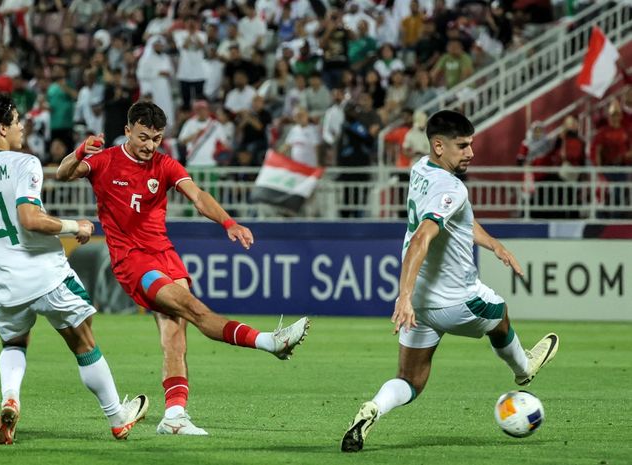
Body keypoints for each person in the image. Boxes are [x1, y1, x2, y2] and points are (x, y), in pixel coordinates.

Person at [56, 101, 310, 436]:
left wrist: (228, 222)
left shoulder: (164, 164)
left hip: (165, 255)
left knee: (175, 337)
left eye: (157, 138)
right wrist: (78, 152)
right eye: (144, 137)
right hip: (133, 261)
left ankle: (174, 416)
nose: (150, 145)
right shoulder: (105, 161)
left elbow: (198, 195)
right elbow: (63, 173)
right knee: (193, 308)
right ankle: (269, 342)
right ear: (129, 130)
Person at [340, 110, 559, 453]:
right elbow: (422, 238)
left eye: (471, 144)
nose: (471, 152)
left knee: (410, 380)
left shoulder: (420, 169)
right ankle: (523, 368)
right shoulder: (452, 187)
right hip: (457, 299)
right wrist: (403, 295)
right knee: (499, 314)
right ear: (439, 146)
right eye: (462, 146)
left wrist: (494, 244)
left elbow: (458, 221)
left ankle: (373, 409)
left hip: (422, 306)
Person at [0, 93, 149, 445]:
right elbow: (30, 219)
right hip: (44, 275)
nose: (22, 126)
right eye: (17, 119)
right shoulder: (23, 164)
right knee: (84, 342)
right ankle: (117, 416)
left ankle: (11, 398)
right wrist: (77, 227)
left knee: (13, 341)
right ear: (1, 127)